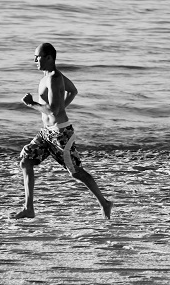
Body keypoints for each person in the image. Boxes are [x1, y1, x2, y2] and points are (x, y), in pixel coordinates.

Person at [14, 42, 112, 220]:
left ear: (49, 58)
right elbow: (73, 91)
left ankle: (104, 203)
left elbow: (53, 111)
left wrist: (32, 104)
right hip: (47, 133)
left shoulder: (54, 78)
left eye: (38, 56)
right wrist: (59, 110)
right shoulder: (47, 76)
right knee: (26, 160)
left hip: (61, 133)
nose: (35, 59)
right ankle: (29, 208)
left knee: (76, 172)